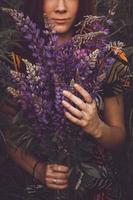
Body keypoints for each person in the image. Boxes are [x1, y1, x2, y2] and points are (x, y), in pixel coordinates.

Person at [1, 0, 129, 199]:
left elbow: (120, 139)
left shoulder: (108, 57)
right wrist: (39, 169)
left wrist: (97, 127)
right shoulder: (16, 58)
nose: (61, 7)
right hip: (36, 187)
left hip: (96, 187)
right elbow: (9, 135)